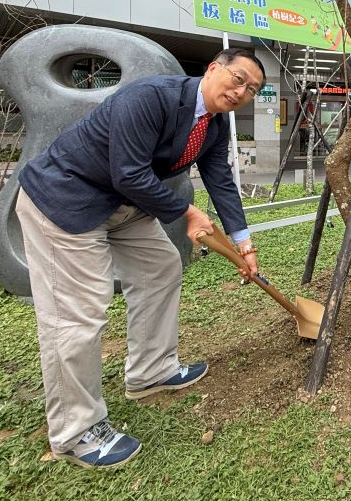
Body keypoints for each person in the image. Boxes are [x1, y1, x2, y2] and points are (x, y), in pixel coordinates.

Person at [14, 48, 265, 469]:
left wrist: (243, 241)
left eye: (253, 89)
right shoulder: (150, 97)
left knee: (161, 268)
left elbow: (220, 179)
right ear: (213, 69)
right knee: (78, 315)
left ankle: (151, 370)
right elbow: (127, 171)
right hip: (66, 202)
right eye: (238, 78)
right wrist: (187, 213)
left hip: (126, 207)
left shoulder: (215, 126)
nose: (242, 91)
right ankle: (75, 431)